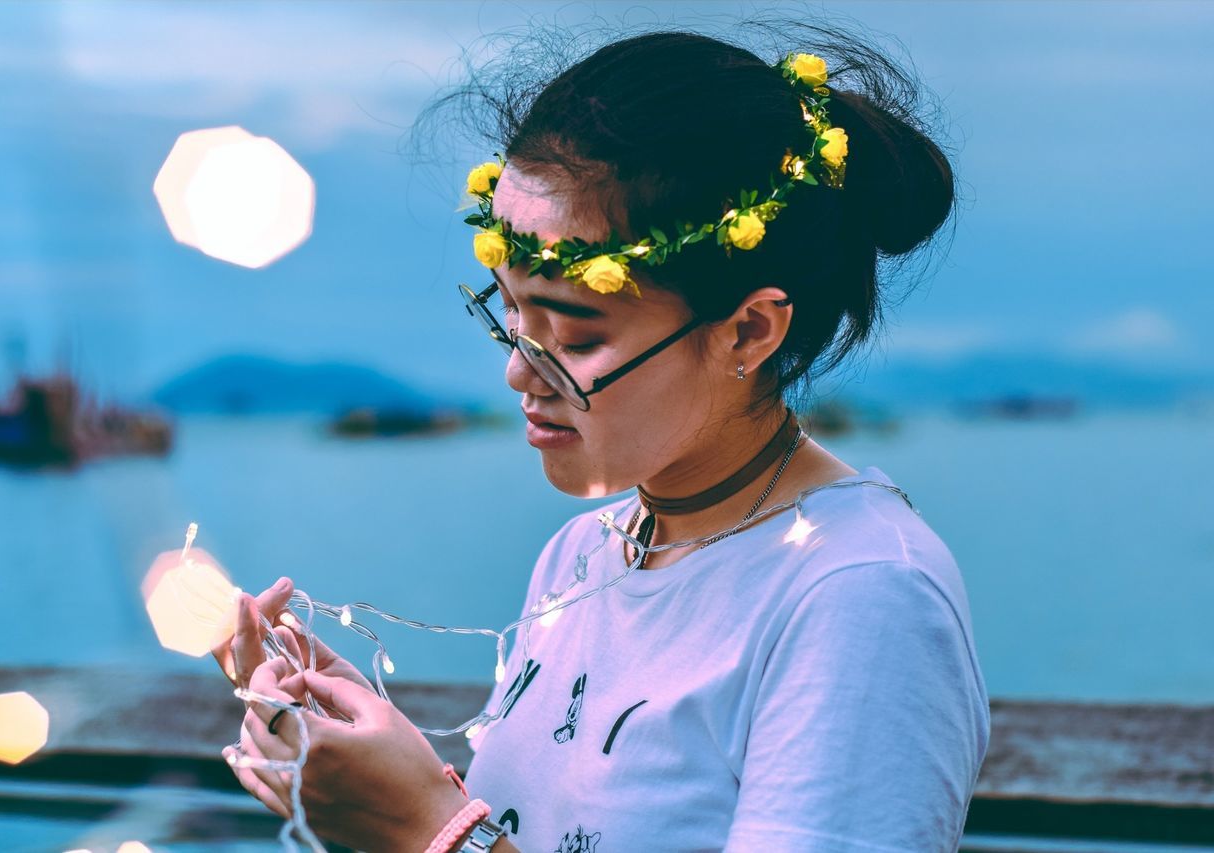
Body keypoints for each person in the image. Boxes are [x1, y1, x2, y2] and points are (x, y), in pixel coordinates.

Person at [213, 21, 990, 853]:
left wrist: (421, 830)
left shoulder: (861, 596)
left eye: (577, 337)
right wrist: (374, 764)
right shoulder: (588, 551)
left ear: (749, 331)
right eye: (510, 313)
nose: (520, 371)